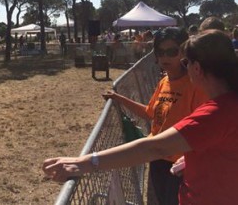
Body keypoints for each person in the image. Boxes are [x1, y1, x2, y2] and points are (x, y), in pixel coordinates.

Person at [43, 29, 238, 204]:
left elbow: (156, 147)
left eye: (185, 61)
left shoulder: (217, 112)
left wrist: (84, 163)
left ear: (196, 68)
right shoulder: (228, 104)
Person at [104, 27, 207, 205]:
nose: (165, 57)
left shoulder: (195, 86)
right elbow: (150, 113)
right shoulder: (164, 82)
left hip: (182, 167)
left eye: (172, 52)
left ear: (184, 52)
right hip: (158, 159)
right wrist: (118, 98)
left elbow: (204, 130)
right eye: (160, 52)